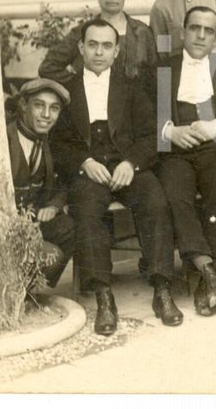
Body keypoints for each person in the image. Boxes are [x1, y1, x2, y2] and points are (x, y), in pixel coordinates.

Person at [51, 18, 181, 335]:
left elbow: (152, 136)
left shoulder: (131, 87)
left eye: (106, 46)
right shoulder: (66, 91)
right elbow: (58, 143)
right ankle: (103, 296)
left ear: (117, 50)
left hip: (125, 164)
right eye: (92, 45)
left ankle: (162, 288)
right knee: (87, 210)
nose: (99, 52)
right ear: (81, 48)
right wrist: (83, 162)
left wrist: (132, 164)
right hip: (89, 168)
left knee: (155, 200)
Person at [157, 7, 216, 317]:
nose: (200, 35)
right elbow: (145, 113)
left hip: (213, 148)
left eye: (208, 30)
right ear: (183, 32)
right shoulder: (164, 69)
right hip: (176, 152)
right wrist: (170, 131)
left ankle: (204, 279)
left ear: (215, 37)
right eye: (194, 28)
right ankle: (210, 272)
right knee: (176, 196)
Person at [39, 0, 158, 96]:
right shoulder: (82, 32)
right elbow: (48, 67)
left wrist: (158, 114)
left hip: (136, 112)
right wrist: (77, 83)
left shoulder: (142, 32)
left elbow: (157, 77)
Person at [6, 78, 76, 289]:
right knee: (52, 255)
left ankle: (27, 291)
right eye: (39, 105)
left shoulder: (49, 141)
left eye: (54, 109)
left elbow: (63, 183)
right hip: (1, 225)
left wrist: (53, 206)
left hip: (30, 221)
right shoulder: (3, 139)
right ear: (23, 105)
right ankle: (13, 292)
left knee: (69, 228)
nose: (46, 115)